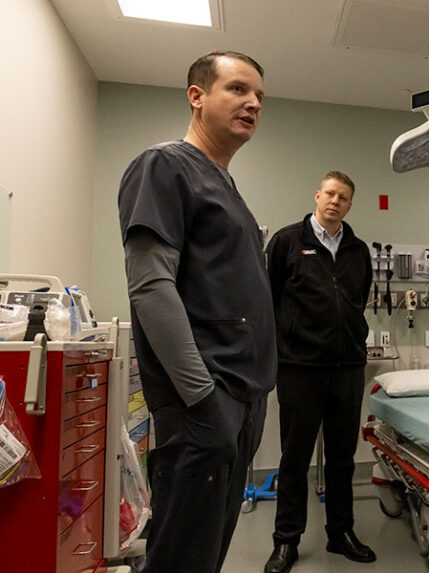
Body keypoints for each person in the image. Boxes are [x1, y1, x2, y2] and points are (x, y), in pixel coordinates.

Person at [117, 51, 276, 573]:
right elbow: (150, 287)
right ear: (197, 96)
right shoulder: (163, 166)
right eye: (237, 89)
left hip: (242, 400)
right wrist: (202, 398)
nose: (253, 102)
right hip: (206, 401)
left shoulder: (227, 189)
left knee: (206, 553)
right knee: (182, 557)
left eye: (258, 96)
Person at [264, 171, 375, 573]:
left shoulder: (358, 250)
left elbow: (358, 299)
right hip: (300, 367)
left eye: (344, 197)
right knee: (294, 456)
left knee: (342, 457)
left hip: (347, 367)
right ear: (317, 195)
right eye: (330, 193)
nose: (335, 201)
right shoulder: (287, 242)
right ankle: (286, 541)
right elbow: (269, 299)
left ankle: (340, 533)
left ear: (349, 205)